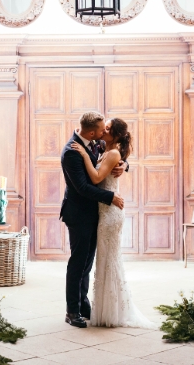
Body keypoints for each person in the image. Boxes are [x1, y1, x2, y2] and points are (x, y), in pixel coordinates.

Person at [71, 118, 157, 329]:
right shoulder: (103, 147)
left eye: (108, 129)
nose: (104, 130)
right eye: (104, 127)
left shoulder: (113, 152)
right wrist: (125, 165)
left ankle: (114, 311)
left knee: (109, 261)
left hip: (110, 214)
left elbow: (97, 178)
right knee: (104, 261)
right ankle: (101, 309)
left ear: (116, 135)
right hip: (103, 212)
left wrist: (83, 155)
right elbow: (115, 163)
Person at [60, 111, 125, 328]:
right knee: (78, 263)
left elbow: (111, 158)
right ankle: (72, 311)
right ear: (91, 132)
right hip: (78, 213)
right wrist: (111, 197)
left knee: (87, 263)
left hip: (95, 214)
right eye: (101, 130)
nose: (103, 132)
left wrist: (124, 165)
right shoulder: (71, 152)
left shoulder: (94, 144)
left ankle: (83, 304)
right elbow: (83, 187)